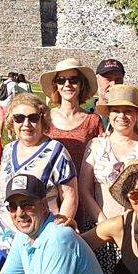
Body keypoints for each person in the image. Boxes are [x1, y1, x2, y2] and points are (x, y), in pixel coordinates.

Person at [0, 92, 79, 253]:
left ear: (42, 120)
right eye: (19, 118)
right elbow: (1, 191)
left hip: (40, 241)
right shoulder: (8, 150)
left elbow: (70, 196)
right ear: (12, 121)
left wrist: (58, 232)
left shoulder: (56, 151)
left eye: (33, 118)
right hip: (5, 241)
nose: (26, 124)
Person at [80, 84, 138, 222]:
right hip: (99, 227)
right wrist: (103, 224)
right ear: (109, 114)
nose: (121, 116)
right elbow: (84, 190)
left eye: (128, 111)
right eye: (116, 110)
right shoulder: (96, 145)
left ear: (136, 114)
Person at [41, 58, 103, 191]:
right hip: (50, 192)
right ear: (56, 86)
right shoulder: (45, 118)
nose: (67, 84)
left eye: (73, 80)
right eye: (61, 80)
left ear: (81, 85)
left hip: (84, 191)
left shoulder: (93, 121)